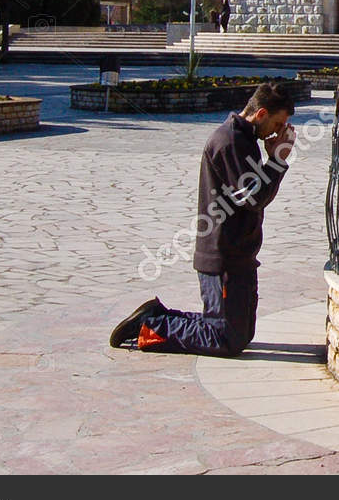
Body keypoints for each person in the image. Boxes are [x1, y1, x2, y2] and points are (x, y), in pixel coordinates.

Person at [110, 82, 296, 356]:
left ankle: (157, 316)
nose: (279, 132)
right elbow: (254, 198)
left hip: (241, 255)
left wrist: (272, 158)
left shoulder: (245, 141)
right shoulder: (229, 142)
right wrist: (278, 159)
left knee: (239, 335)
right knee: (225, 339)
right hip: (223, 258)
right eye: (278, 123)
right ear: (261, 114)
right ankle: (150, 325)